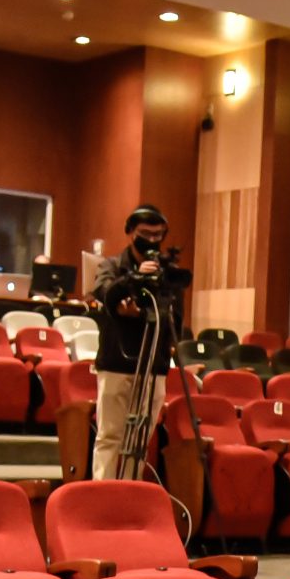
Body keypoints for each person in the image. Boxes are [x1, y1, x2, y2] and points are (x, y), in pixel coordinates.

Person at [88, 205, 191, 480]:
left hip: (153, 365)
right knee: (110, 435)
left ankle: (129, 492)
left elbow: (175, 319)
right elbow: (104, 291)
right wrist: (133, 280)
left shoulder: (166, 272)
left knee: (141, 440)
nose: (152, 240)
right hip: (116, 362)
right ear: (131, 233)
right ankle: (102, 494)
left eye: (158, 235)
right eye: (145, 233)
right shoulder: (112, 265)